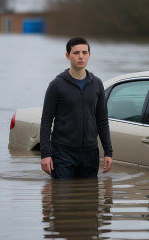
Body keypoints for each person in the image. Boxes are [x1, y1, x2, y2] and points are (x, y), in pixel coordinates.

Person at [40, 37, 113, 179]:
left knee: (89, 197)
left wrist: (108, 152)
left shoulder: (97, 84)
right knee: (62, 198)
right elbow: (46, 120)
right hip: (62, 152)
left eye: (84, 52)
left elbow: (102, 121)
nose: (81, 56)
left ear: (89, 55)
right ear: (67, 56)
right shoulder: (56, 85)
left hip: (90, 153)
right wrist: (45, 154)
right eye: (76, 52)